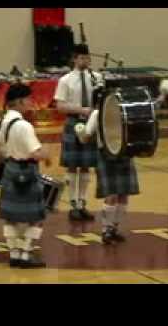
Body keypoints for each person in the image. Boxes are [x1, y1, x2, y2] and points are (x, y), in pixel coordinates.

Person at [0, 83, 52, 268]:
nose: (30, 102)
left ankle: (14, 254)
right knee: (37, 217)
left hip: (10, 170)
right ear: (18, 101)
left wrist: (11, 159)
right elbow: (36, 153)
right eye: (28, 99)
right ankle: (25, 254)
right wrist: (47, 154)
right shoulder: (24, 126)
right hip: (27, 171)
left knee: (10, 216)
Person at [79, 89, 140, 245]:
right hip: (113, 154)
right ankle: (107, 230)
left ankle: (113, 229)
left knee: (121, 194)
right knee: (116, 195)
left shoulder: (104, 113)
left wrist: (78, 130)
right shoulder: (106, 113)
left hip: (116, 154)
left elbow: (85, 138)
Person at [54, 44, 103, 222]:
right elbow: (60, 106)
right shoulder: (65, 80)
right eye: (82, 58)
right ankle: (73, 203)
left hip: (92, 122)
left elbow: (103, 99)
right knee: (72, 165)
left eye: (87, 58)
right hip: (74, 121)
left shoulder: (97, 78)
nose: (85, 61)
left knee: (86, 165)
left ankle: (82, 203)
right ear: (74, 59)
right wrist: (81, 109)